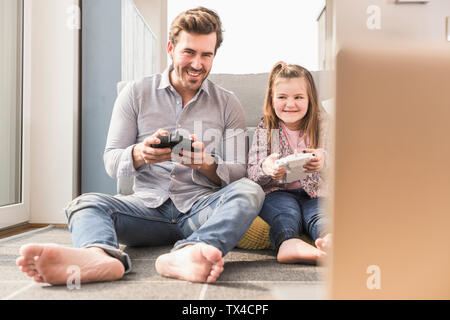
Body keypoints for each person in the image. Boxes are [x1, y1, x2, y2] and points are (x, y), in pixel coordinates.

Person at [16, 7, 265, 285]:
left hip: (200, 210)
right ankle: (100, 256)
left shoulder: (228, 103)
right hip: (145, 211)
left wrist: (206, 164)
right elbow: (111, 160)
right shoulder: (135, 93)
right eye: (189, 52)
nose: (198, 63)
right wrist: (139, 153)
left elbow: (239, 171)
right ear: (170, 49)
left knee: (250, 190)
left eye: (206, 55)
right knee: (84, 203)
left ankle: (190, 252)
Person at [247, 62, 332, 264]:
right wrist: (266, 168)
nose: (290, 104)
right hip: (277, 192)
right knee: (285, 214)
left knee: (320, 215)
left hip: (316, 192)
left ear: (310, 99)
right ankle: (288, 243)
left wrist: (324, 159)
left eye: (298, 97)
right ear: (272, 99)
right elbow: (252, 171)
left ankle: (330, 239)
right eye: (282, 97)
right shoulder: (266, 127)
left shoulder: (323, 125)